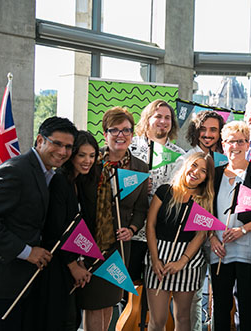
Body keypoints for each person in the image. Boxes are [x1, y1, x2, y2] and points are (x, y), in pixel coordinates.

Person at [0, 117, 77, 331]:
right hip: (1, 281)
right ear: (40, 141)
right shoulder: (16, 170)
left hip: (24, 282)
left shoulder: (47, 173)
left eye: (68, 147)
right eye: (57, 143)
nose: (63, 152)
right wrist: (27, 252)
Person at [78, 107, 149, 331]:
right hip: (90, 241)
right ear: (105, 133)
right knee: (92, 302)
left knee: (109, 300)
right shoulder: (91, 161)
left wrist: (133, 228)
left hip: (119, 244)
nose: (121, 135)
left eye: (126, 130)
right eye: (114, 130)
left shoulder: (140, 167)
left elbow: (141, 208)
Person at [208, 121, 251, 331]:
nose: (235, 146)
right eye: (229, 141)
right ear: (223, 145)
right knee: (221, 307)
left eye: (240, 141)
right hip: (220, 251)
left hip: (249, 251)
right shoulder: (214, 174)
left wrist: (243, 229)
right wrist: (211, 237)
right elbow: (205, 210)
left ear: (248, 144)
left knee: (249, 308)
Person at [145, 152, 215, 331]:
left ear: (207, 177)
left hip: (188, 264)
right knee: (157, 320)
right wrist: (155, 259)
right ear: (186, 165)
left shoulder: (205, 200)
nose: (196, 172)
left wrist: (181, 262)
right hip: (158, 258)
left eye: (203, 170)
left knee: (183, 318)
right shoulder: (164, 191)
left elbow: (201, 235)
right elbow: (150, 225)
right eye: (194, 165)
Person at [37, 130, 96, 330]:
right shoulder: (60, 180)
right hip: (56, 264)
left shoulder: (80, 182)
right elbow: (55, 230)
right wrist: (73, 266)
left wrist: (80, 261)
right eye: (82, 155)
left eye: (92, 155)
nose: (87, 160)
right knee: (60, 320)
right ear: (72, 155)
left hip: (71, 264)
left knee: (72, 320)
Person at [129, 99, 185, 282]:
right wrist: (136, 188)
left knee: (155, 287)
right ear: (147, 119)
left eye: (167, 118)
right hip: (132, 231)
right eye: (158, 116)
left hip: (161, 234)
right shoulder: (130, 149)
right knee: (129, 286)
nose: (163, 121)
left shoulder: (180, 156)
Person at [182, 109, 225, 330]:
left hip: (222, 236)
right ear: (195, 131)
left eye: (213, 130)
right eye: (203, 129)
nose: (208, 134)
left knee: (220, 294)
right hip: (194, 236)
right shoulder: (186, 159)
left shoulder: (228, 160)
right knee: (193, 294)